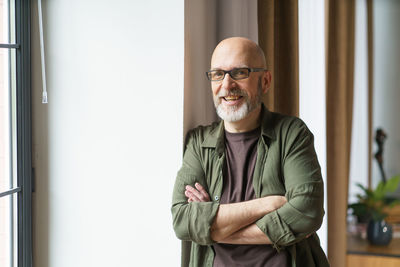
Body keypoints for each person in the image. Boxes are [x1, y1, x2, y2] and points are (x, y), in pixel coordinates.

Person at [171, 37, 329, 267]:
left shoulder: (292, 134)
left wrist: (213, 228)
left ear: (265, 81)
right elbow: (182, 221)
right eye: (218, 74)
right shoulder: (198, 142)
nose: (227, 85)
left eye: (240, 72)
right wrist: (268, 205)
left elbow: (306, 213)